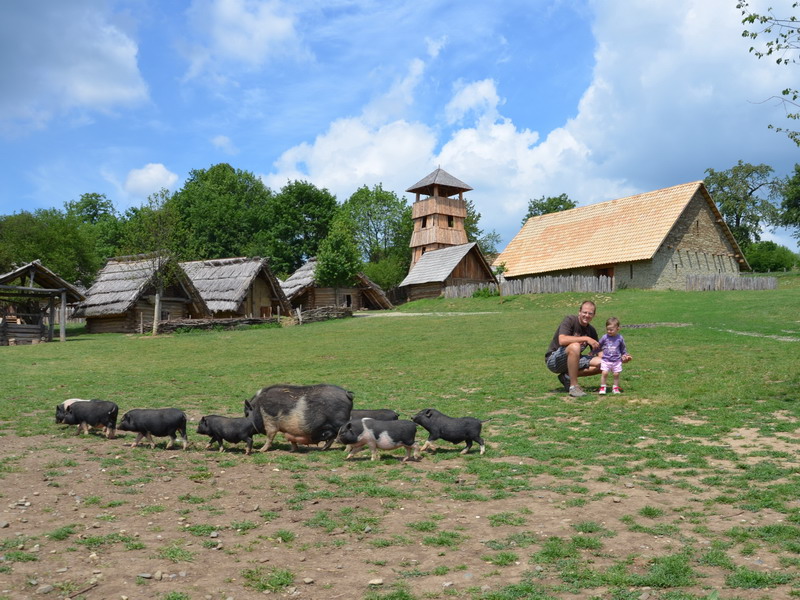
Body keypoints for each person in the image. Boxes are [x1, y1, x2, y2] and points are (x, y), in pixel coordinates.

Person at [545, 300, 603, 398]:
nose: (587, 315)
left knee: (604, 364)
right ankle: (573, 387)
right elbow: (562, 340)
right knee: (575, 346)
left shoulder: (591, 330)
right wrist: (586, 338)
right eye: (584, 312)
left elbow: (600, 352)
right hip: (554, 360)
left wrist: (616, 360)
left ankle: (566, 376)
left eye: (590, 313)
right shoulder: (570, 320)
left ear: (594, 315)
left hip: (574, 359)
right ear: (579, 312)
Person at [596, 317, 632, 394]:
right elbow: (599, 345)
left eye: (611, 329)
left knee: (616, 374)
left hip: (616, 360)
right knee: (604, 373)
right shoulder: (604, 337)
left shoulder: (620, 338)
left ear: (617, 329)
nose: (609, 331)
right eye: (607, 329)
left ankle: (615, 388)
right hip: (606, 359)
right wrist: (593, 352)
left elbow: (623, 348)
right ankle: (603, 387)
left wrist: (625, 355)